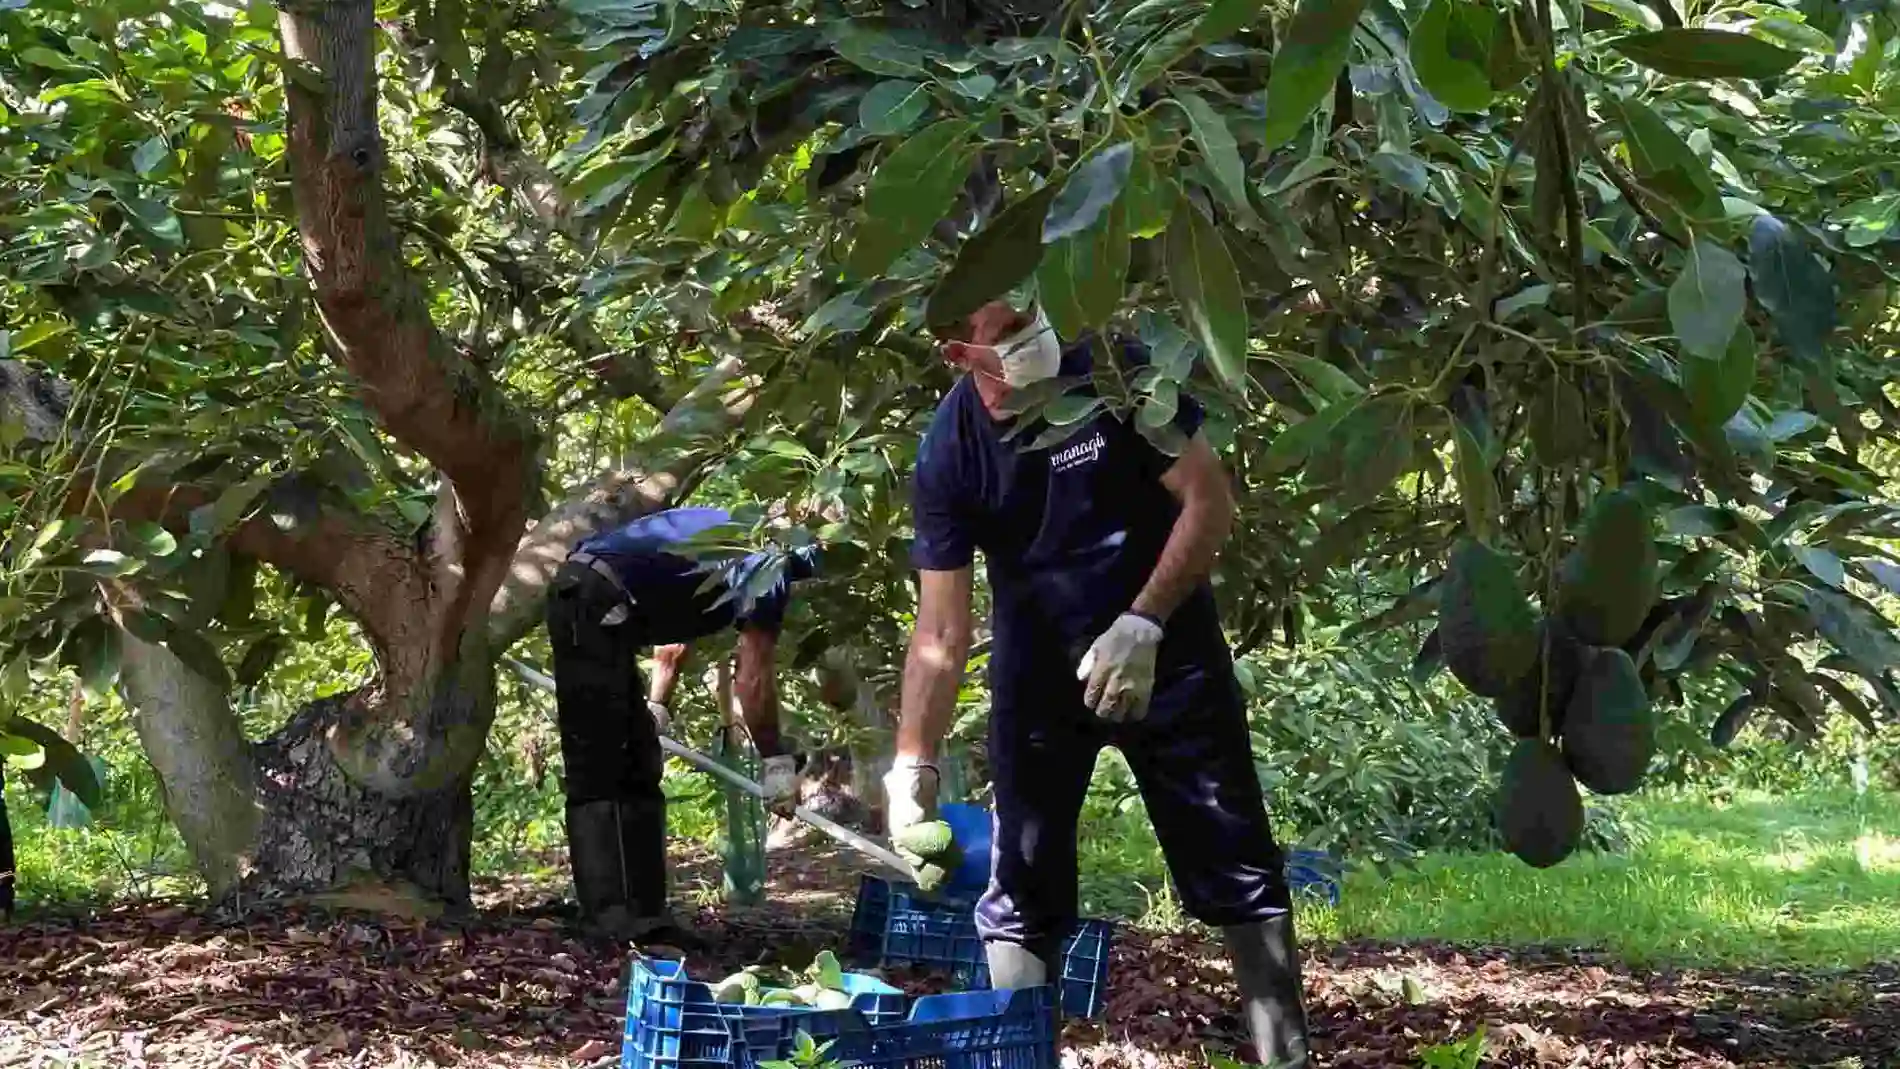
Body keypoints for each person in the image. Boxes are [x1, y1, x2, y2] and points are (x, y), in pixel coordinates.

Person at [882, 301, 1310, 1065]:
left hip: (1168, 651)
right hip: (1039, 673)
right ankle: (1021, 1054)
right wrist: (912, 762)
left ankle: (1286, 1054)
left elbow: (1209, 499)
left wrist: (1144, 621)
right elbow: (941, 631)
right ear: (961, 353)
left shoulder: (1119, 369)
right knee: (1021, 888)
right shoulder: (950, 450)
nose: (1030, 339)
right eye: (1005, 334)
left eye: (1032, 319)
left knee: (1239, 864)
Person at [546, 505, 818, 941]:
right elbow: (754, 681)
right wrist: (777, 766)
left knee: (639, 762)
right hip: (591, 602)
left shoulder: (725, 546)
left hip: (599, 600)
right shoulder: (770, 560)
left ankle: (648, 918)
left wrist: (656, 709)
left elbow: (674, 641)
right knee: (601, 767)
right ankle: (612, 920)